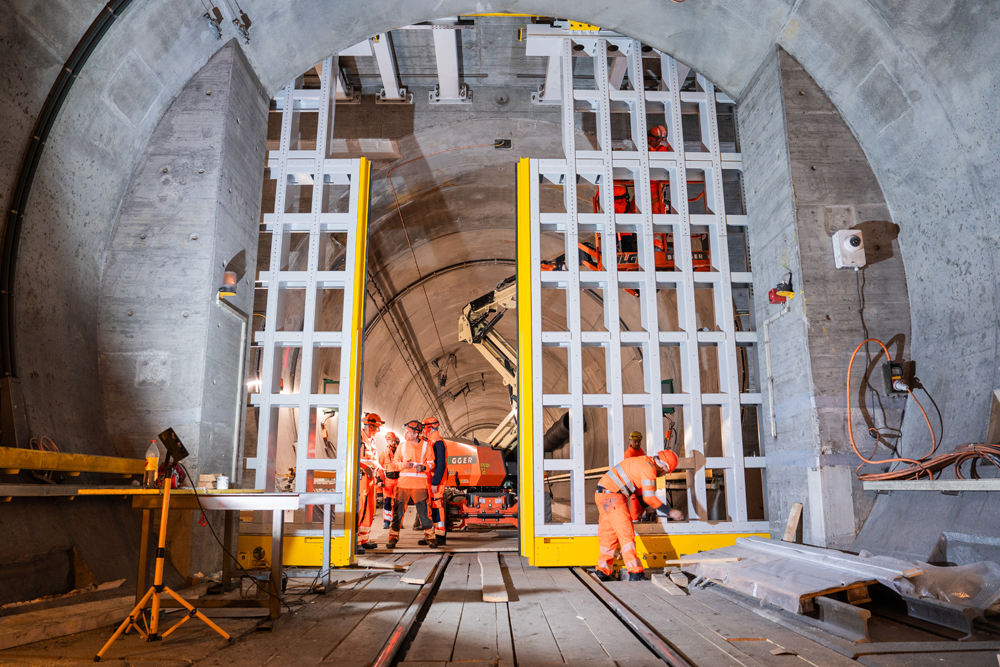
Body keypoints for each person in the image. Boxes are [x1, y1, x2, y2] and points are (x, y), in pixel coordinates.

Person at [594, 450, 682, 581]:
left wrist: (647, 509)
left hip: (602, 494)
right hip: (613, 497)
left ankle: (603, 570)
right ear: (663, 466)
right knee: (627, 535)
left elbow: (639, 490)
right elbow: (649, 497)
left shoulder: (643, 461)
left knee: (609, 534)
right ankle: (635, 573)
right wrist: (670, 512)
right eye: (665, 472)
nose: (663, 475)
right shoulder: (650, 469)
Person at [386, 420, 436, 549]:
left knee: (424, 514)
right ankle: (392, 537)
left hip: (420, 486)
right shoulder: (402, 446)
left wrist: (424, 467)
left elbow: (432, 463)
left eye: (408, 432)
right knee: (397, 513)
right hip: (403, 486)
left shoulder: (426, 446)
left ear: (416, 433)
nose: (405, 434)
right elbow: (395, 463)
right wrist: (404, 465)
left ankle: (430, 537)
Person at [357, 412, 383, 551]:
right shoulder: (358, 438)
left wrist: (379, 468)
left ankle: (364, 539)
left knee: (369, 508)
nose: (377, 431)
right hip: (360, 478)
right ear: (370, 426)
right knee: (360, 507)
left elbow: (372, 459)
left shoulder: (371, 440)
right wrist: (365, 467)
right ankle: (355, 542)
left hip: (370, 478)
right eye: (376, 428)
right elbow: (352, 458)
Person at [421, 417, 449, 546]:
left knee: (437, 507)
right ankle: (431, 535)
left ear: (430, 428)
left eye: (425, 428)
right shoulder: (432, 441)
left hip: (435, 482)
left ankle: (440, 536)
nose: (423, 431)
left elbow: (440, 465)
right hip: (430, 480)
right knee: (431, 508)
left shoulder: (437, 442)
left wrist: (435, 483)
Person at [379, 431, 400, 529]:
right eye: (391, 440)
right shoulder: (383, 453)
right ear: (387, 441)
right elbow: (379, 468)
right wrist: (379, 480)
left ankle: (397, 521)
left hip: (398, 480)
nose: (393, 442)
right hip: (388, 480)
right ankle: (387, 522)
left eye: (394, 440)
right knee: (387, 501)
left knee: (398, 501)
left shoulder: (399, 451)